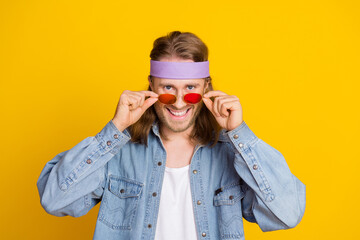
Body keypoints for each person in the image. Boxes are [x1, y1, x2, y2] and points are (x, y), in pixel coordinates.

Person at [37, 31, 306, 240]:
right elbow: (54, 199)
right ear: (151, 86)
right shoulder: (118, 151)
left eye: (190, 89)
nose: (178, 103)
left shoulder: (230, 153)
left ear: (206, 88)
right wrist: (115, 129)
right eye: (167, 88)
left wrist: (239, 135)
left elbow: (287, 214)